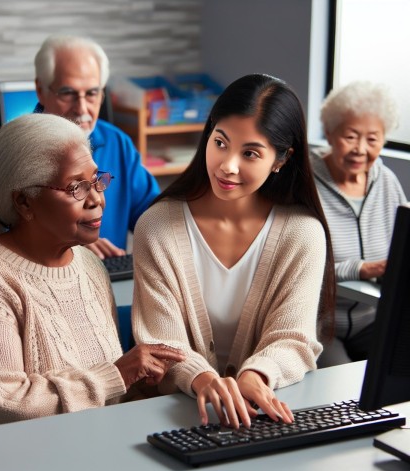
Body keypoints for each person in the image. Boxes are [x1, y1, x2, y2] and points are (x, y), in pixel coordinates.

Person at [0, 114, 184, 436]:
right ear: (24, 201)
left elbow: (102, 392)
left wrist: (148, 388)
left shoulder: (89, 266)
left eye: (97, 180)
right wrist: (117, 375)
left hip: (76, 443)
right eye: (76, 187)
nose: (96, 199)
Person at [131, 74, 335, 429]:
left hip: (262, 415)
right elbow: (162, 342)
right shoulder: (157, 226)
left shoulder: (303, 234)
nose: (228, 165)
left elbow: (293, 338)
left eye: (250, 153)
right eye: (221, 142)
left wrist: (256, 375)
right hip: (170, 416)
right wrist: (205, 380)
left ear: (281, 159)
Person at [33, 34, 160, 259]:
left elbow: (154, 219)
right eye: (68, 93)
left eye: (91, 93)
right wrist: (67, 247)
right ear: (41, 90)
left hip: (107, 279)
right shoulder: (15, 151)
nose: (81, 107)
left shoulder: (118, 143)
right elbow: (1, 237)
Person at [311, 81, 407, 367]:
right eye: (351, 137)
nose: (361, 150)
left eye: (373, 139)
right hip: (319, 327)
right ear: (329, 132)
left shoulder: (386, 182)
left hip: (375, 320)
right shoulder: (304, 186)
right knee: (346, 390)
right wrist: (362, 269)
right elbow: (294, 268)